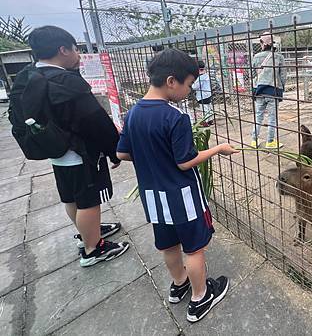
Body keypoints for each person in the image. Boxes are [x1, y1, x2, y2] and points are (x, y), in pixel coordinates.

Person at [116, 48, 238, 323]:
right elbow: (186, 161)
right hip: (182, 197)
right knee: (194, 248)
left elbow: (122, 153)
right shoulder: (176, 117)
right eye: (189, 85)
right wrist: (218, 148)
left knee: (169, 246)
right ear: (172, 81)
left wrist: (150, 155)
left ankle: (179, 283)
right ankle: (200, 297)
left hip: (153, 197)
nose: (189, 91)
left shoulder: (133, 113)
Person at [14, 26, 128, 266]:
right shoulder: (65, 82)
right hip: (80, 153)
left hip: (56, 151)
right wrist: (113, 150)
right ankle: (93, 249)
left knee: (71, 197)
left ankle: (88, 233)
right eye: (76, 49)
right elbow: (94, 122)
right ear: (62, 50)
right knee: (89, 201)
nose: (78, 54)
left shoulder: (28, 76)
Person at [250, 32, 287, 149]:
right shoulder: (279, 57)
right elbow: (283, 76)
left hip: (259, 90)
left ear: (262, 43)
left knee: (258, 116)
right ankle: (270, 141)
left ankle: (254, 140)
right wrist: (282, 88)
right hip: (273, 91)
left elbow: (252, 74)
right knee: (272, 117)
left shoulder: (255, 57)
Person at [191, 61, 213, 126]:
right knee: (209, 108)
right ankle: (210, 120)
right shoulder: (206, 75)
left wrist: (192, 84)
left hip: (202, 95)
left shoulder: (200, 78)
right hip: (208, 94)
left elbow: (194, 87)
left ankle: (205, 122)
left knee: (204, 109)